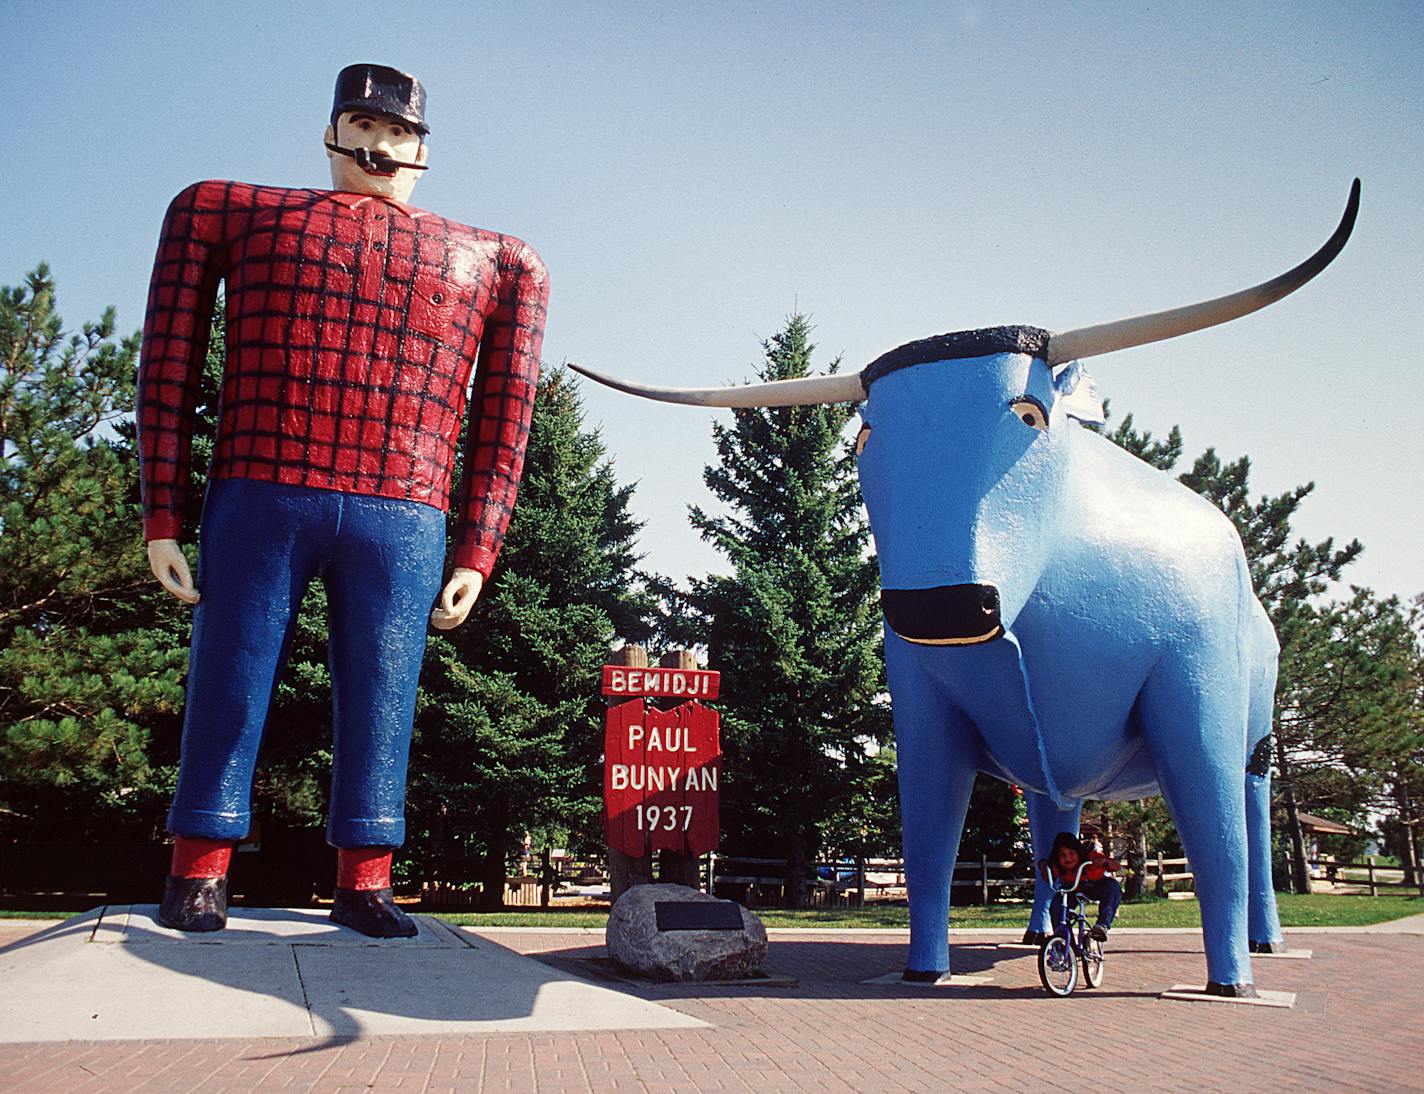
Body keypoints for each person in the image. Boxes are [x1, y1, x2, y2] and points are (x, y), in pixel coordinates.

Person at [139, 63, 548, 938]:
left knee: (385, 687)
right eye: (364, 124)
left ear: (423, 148)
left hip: (404, 503)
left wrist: (480, 548)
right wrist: (161, 513)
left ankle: (366, 876)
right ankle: (198, 866)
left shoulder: (499, 261)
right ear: (332, 132)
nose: (381, 145)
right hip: (262, 482)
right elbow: (167, 363)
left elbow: (507, 420)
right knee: (231, 673)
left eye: (400, 131)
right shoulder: (226, 210)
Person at [1039, 831, 1122, 942]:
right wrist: (1044, 868)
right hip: (1072, 889)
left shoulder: (1090, 857)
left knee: (1112, 887)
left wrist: (1104, 861)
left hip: (1096, 885)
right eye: (1063, 855)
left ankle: (1102, 925)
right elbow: (1048, 878)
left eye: (1071, 853)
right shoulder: (1057, 866)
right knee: (1057, 905)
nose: (1068, 858)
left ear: (1078, 852)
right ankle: (1066, 942)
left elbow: (1116, 866)